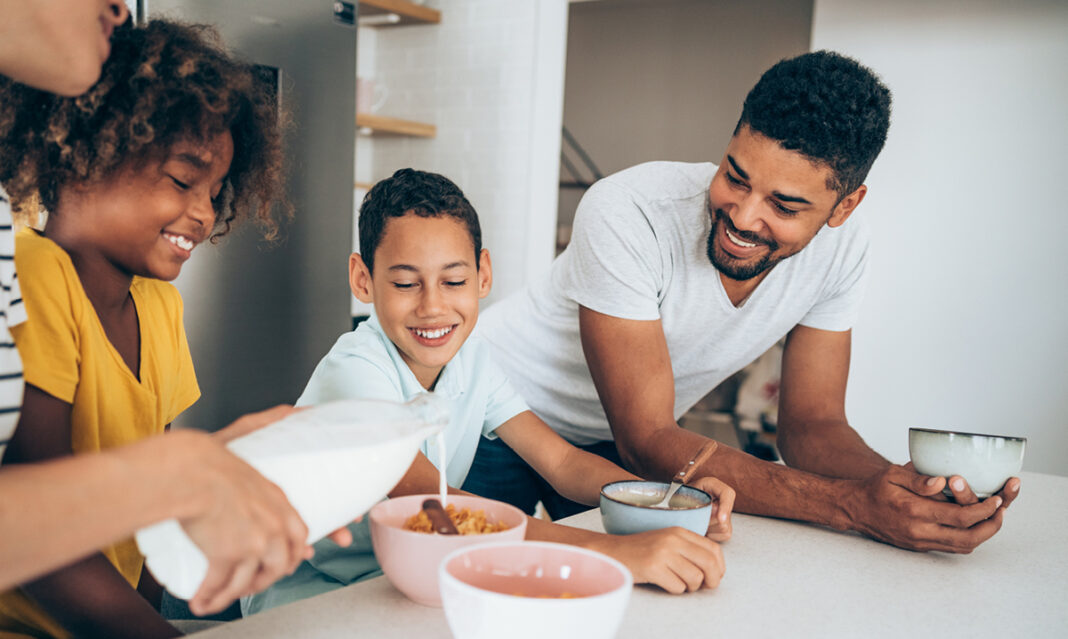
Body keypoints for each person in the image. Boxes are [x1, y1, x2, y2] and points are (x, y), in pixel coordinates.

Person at [470, 50, 1018, 554]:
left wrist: (906, 494)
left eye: (783, 205)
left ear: (844, 206)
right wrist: (852, 506)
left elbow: (812, 426)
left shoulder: (844, 249)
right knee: (461, 577)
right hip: (491, 414)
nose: (742, 216)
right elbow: (648, 438)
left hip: (609, 443)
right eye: (735, 176)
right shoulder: (628, 210)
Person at [244, 168, 733, 614]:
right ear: (363, 280)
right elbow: (430, 508)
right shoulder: (355, 373)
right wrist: (619, 553)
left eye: (453, 280)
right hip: (304, 594)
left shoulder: (472, 359)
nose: (433, 306)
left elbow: (561, 463)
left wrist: (669, 504)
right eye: (406, 284)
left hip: (397, 578)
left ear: (483, 276)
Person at [0, 13, 340, 638]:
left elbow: (160, 496)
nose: (204, 214)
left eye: (215, 191)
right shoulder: (33, 275)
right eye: (184, 180)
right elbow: (41, 534)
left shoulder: (159, 306)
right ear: (81, 156)